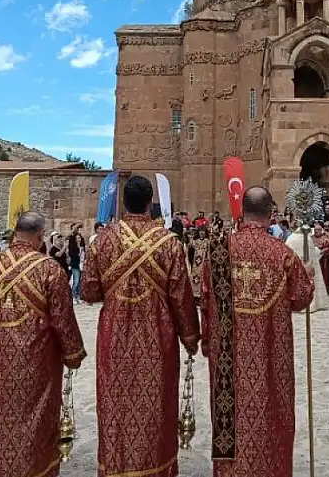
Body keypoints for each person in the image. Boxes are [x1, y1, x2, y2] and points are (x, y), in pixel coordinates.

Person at [81, 175, 200, 477]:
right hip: (157, 340)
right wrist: (190, 336)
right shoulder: (169, 244)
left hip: (114, 337)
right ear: (150, 203)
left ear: (123, 202)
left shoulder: (103, 240)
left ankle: (116, 467)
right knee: (155, 404)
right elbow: (181, 297)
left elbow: (89, 292)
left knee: (115, 403)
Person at [201, 186, 314, 476]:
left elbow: (204, 299)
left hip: (228, 355)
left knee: (230, 410)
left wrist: (205, 342)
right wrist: (309, 277)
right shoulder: (283, 254)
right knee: (272, 406)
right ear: (270, 214)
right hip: (271, 354)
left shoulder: (218, 252)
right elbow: (301, 298)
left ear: (241, 212)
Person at [0, 211, 86, 477]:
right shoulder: (48, 269)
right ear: (39, 235)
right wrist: (73, 354)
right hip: (37, 360)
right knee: (36, 418)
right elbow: (62, 320)